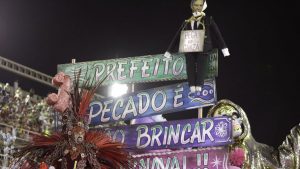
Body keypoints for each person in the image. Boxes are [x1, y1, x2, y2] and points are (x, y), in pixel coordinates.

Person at [165, 0, 230, 93]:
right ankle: (191, 84)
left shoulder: (208, 19)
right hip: (189, 47)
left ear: (203, 6)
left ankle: (199, 84)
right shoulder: (187, 21)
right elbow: (177, 36)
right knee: (189, 64)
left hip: (203, 47)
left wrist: (224, 48)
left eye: (200, 5)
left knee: (201, 64)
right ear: (192, 6)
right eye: (196, 5)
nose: (198, 7)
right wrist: (169, 51)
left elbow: (217, 34)